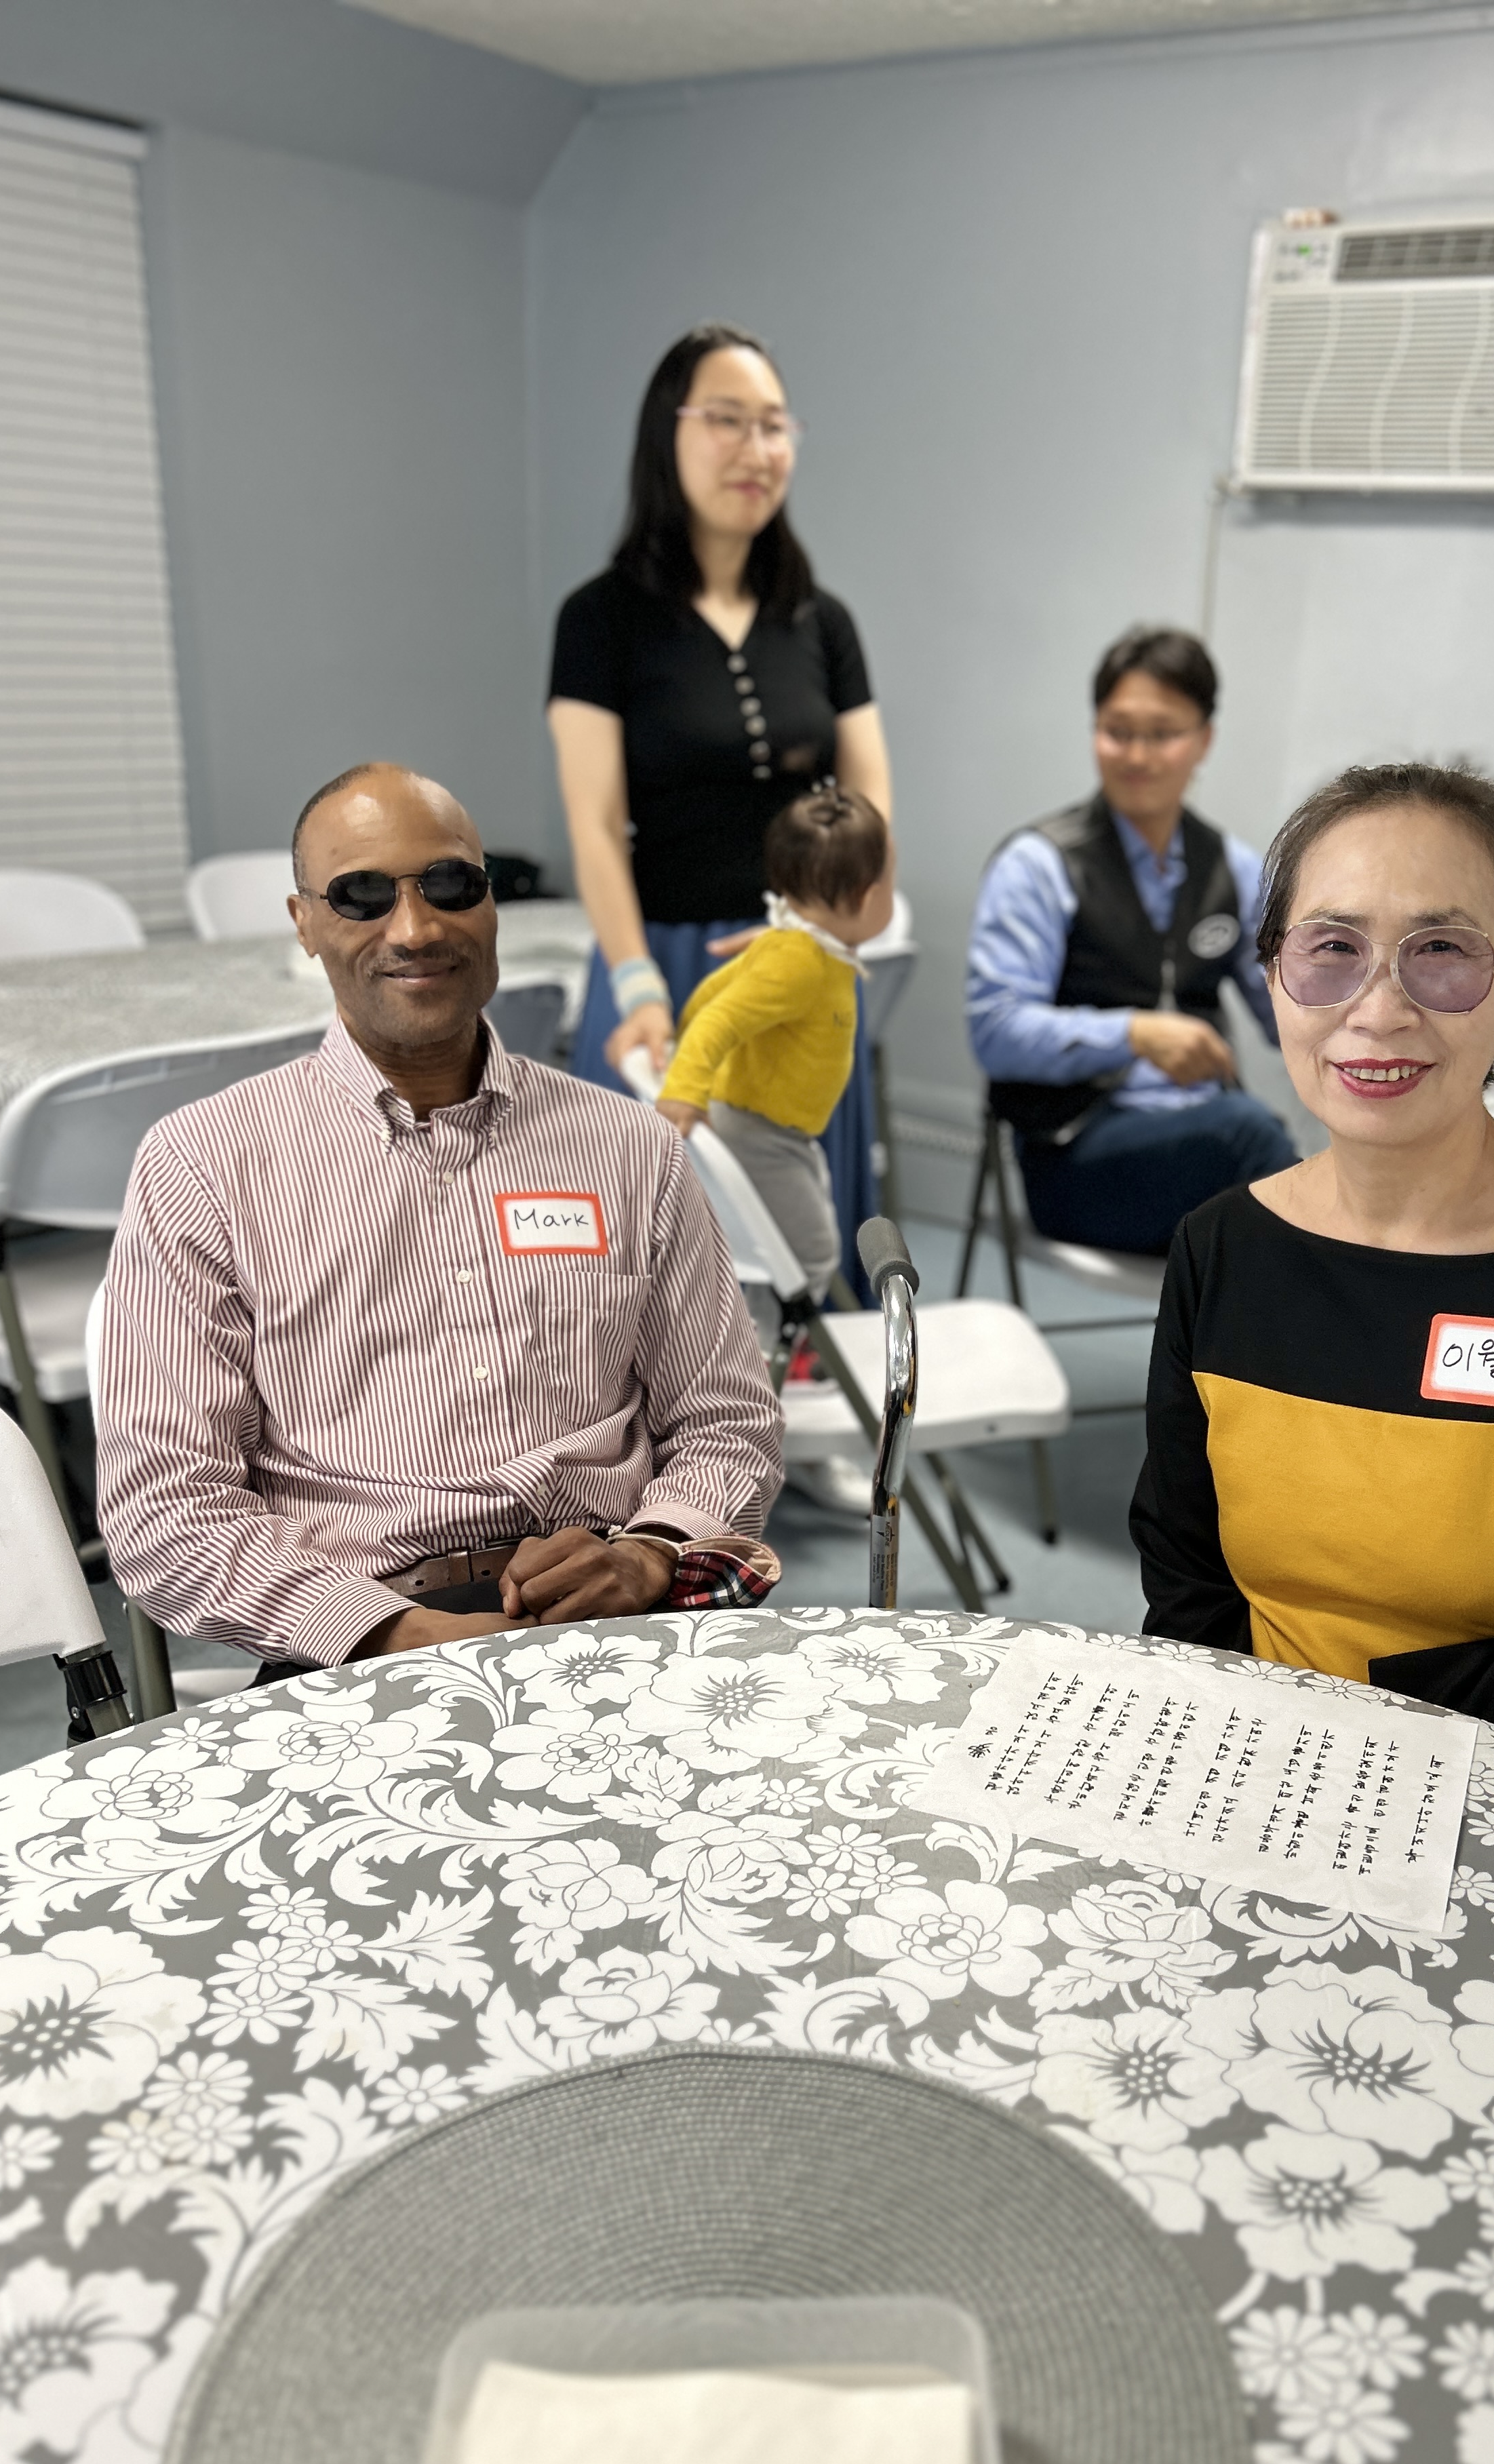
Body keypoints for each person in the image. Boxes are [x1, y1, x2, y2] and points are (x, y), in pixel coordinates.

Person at [95, 762, 785, 1673]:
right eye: (362, 896)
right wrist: (397, 1632)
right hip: (356, 1637)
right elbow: (165, 1506)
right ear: (304, 924)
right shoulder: (205, 1165)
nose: (416, 929)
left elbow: (727, 1421)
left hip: (615, 1604)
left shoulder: (629, 1146)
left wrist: (651, 1551)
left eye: (451, 885)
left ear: (492, 904)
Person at [1131, 760, 1494, 1788]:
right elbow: (1186, 1588)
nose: (1379, 1008)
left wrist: (1346, 1758)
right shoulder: (1220, 1250)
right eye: (1332, 950)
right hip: (1255, 1769)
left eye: (1440, 951)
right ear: (1273, 975)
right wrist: (1271, 1768)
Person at [547, 319, 892, 1276]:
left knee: (799, 1252)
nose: (757, 449)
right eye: (727, 420)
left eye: (775, 425)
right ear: (669, 432)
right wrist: (637, 983)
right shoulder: (599, 619)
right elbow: (594, 826)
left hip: (803, 972)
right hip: (661, 964)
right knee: (650, 1261)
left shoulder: (823, 622)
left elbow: (871, 802)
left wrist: (835, 936)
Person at [965, 625, 1297, 1255]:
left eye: (1163, 734)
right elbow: (995, 1030)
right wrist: (1136, 1034)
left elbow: (1290, 1012)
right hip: (1077, 1152)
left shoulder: (1233, 868)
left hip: (1200, 1138)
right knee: (1254, 1146)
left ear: (1204, 740)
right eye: (1118, 732)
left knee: (1311, 1176)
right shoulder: (1039, 865)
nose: (1137, 756)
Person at [653, 788, 890, 1297]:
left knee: (784, 1248)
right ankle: (776, 1340)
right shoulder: (800, 960)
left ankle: (768, 1333)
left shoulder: (804, 948)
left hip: (777, 1130)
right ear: (868, 896)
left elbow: (711, 995)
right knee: (810, 1255)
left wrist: (685, 1041)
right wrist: (685, 1088)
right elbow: (719, 1017)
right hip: (759, 1133)